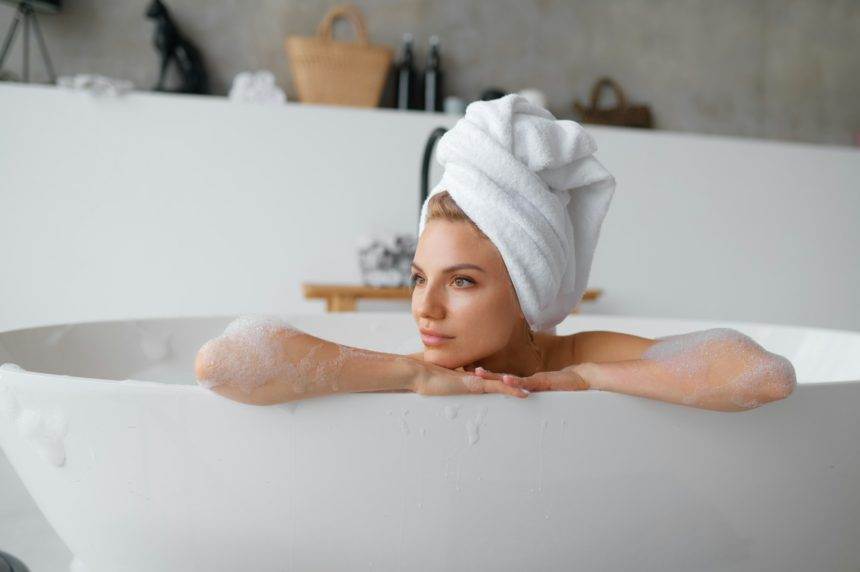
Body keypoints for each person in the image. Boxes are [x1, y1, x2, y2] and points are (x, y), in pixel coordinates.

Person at [195, 95, 796, 412]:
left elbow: (761, 374)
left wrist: (586, 379)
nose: (425, 309)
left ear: (525, 287)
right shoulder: (426, 367)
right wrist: (409, 376)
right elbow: (223, 363)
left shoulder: (579, 353)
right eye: (418, 277)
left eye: (461, 282)